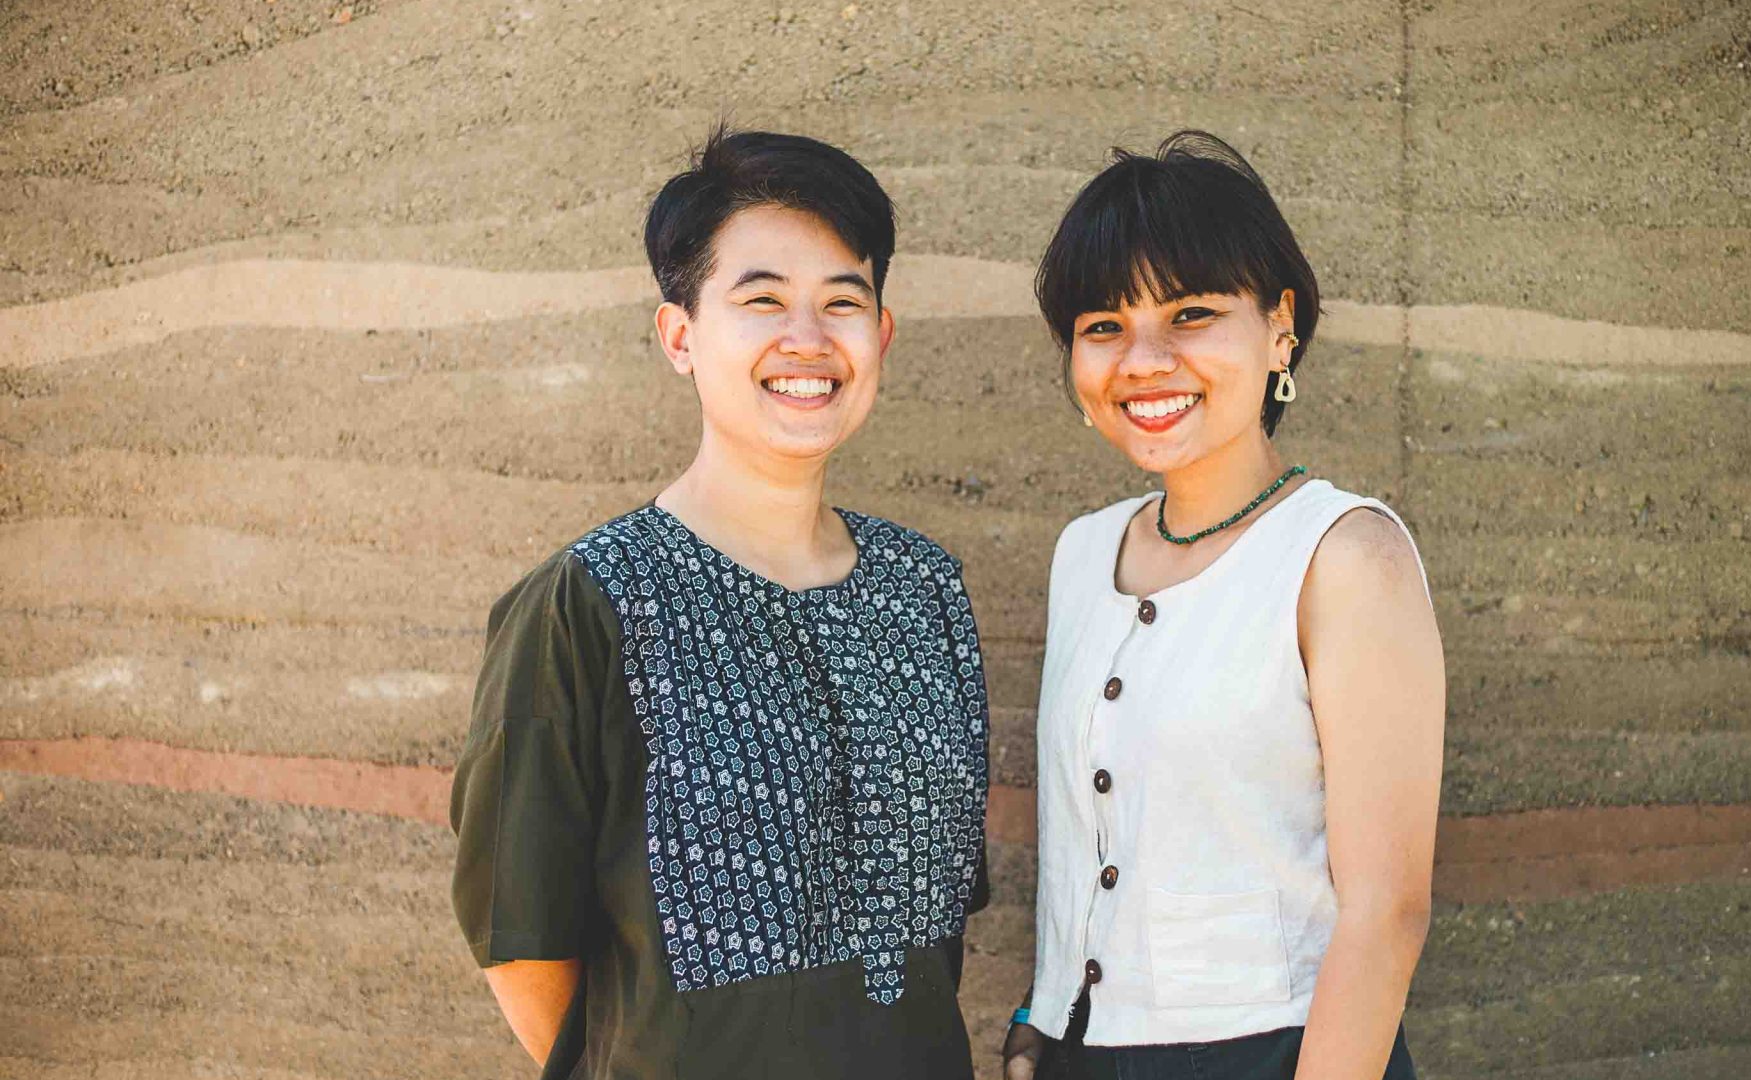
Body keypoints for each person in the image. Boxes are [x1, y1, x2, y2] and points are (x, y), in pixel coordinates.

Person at [451, 127, 991, 1080]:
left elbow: (936, 927)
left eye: (842, 303)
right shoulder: (587, 604)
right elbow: (519, 938)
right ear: (680, 336)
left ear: (883, 336)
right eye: (763, 300)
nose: (808, 340)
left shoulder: (925, 590)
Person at [1003, 131, 1443, 1080]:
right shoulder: (1084, 554)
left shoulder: (1346, 553)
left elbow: (1388, 911)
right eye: (1104, 325)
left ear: (1279, 328)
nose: (1144, 360)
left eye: (1192, 313)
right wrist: (1037, 1022)